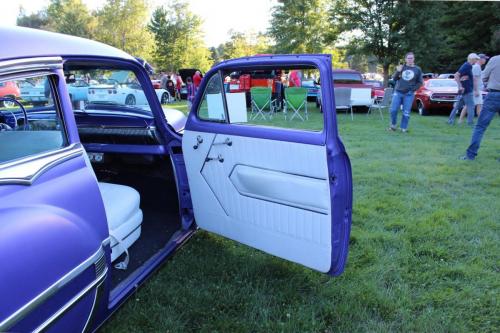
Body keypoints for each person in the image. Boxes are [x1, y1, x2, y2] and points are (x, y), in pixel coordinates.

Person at [460, 54, 500, 160]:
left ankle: (470, 155)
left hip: (493, 95)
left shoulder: (495, 59)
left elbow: (484, 76)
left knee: (480, 127)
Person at [387, 52, 423, 133]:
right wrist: (398, 71)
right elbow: (394, 79)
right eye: (408, 58)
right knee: (393, 110)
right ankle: (393, 125)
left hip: (409, 94)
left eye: (412, 58)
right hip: (398, 92)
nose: (410, 59)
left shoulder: (417, 69)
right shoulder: (401, 67)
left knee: (406, 112)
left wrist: (412, 89)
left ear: (414, 59)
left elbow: (420, 82)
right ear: (406, 59)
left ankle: (403, 128)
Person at [447, 53, 480, 125]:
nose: (477, 61)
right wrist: (460, 86)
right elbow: (457, 75)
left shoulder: (468, 66)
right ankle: (470, 123)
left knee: (457, 107)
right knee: (471, 106)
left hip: (465, 91)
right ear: (472, 59)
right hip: (467, 90)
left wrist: (461, 84)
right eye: (476, 59)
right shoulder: (467, 66)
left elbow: (461, 76)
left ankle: (450, 121)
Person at [458, 53, 489, 123]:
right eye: (484, 59)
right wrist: (476, 90)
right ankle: (481, 122)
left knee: (469, 105)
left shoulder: (477, 67)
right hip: (476, 90)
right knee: (479, 105)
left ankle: (460, 120)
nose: (485, 60)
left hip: (477, 89)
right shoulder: (477, 67)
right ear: (480, 59)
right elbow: (474, 79)